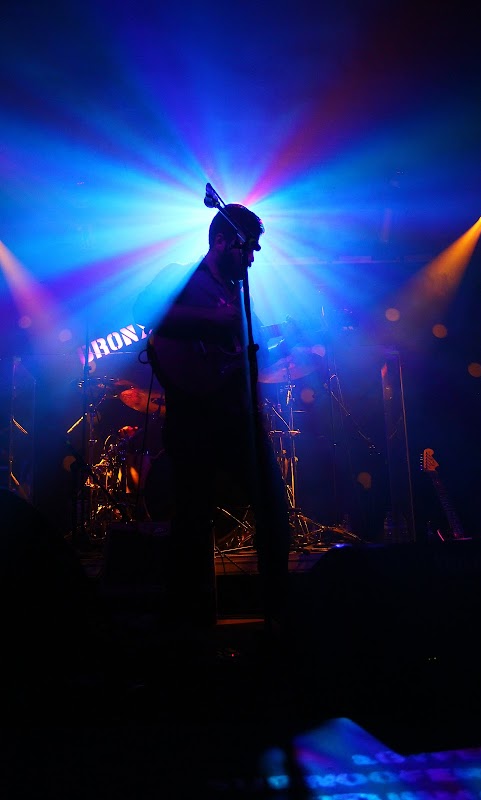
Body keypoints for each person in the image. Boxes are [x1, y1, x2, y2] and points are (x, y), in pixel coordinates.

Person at [133, 203, 292, 636]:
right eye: (248, 248)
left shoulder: (240, 294)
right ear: (222, 242)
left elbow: (249, 348)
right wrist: (212, 319)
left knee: (273, 512)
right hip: (193, 419)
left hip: (237, 418)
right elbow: (144, 310)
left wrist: (278, 342)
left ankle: (280, 617)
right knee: (191, 522)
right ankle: (188, 630)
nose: (253, 258)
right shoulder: (182, 277)